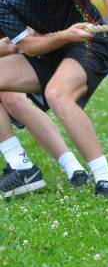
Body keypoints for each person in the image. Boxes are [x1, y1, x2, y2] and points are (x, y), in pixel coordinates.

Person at [0, 0, 108, 197]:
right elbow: (29, 46)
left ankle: (105, 181)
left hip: (90, 39)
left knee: (57, 94)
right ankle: (20, 167)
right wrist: (63, 36)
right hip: (51, 46)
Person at [0, 34, 89, 197]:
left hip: (25, 42)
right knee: (13, 101)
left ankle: (69, 166)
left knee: (14, 100)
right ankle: (20, 163)